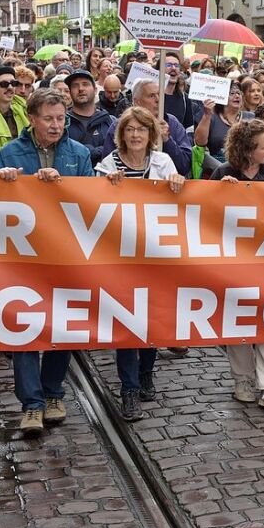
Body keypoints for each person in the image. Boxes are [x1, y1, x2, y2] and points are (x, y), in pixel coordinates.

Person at [0, 88, 94, 436]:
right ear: (31, 119)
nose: (55, 125)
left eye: (61, 119)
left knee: (63, 327)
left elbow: (94, 201)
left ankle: (53, 394)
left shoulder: (78, 154)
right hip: (23, 258)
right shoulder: (9, 152)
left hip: (65, 255)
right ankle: (31, 404)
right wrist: (2, 181)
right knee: (24, 326)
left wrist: (66, 185)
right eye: (48, 119)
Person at [95, 106, 185, 421]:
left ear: (151, 135)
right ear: (122, 134)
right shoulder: (107, 165)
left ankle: (146, 372)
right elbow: (94, 206)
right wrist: (106, 186)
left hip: (155, 257)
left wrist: (177, 182)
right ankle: (129, 389)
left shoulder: (163, 163)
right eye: (130, 129)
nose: (135, 135)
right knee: (126, 324)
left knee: (151, 320)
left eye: (141, 130)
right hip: (121, 258)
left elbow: (178, 202)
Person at [210, 119, 264, 408]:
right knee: (239, 322)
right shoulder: (223, 172)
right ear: (248, 151)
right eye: (263, 146)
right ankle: (243, 379)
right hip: (235, 262)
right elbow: (202, 212)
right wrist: (218, 192)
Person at [64, 69, 116, 165]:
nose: (80, 89)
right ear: (70, 92)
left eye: (85, 84)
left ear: (95, 90)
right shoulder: (62, 123)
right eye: (75, 86)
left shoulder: (111, 122)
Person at [194, 79, 253, 161]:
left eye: (239, 93)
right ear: (222, 97)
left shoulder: (251, 118)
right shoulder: (212, 117)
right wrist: (207, 115)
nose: (237, 96)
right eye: (232, 93)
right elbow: (199, 143)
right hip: (218, 167)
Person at [161, 51, 202, 129]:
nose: (173, 68)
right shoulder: (153, 96)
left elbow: (188, 129)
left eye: (176, 65)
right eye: (168, 65)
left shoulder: (185, 99)